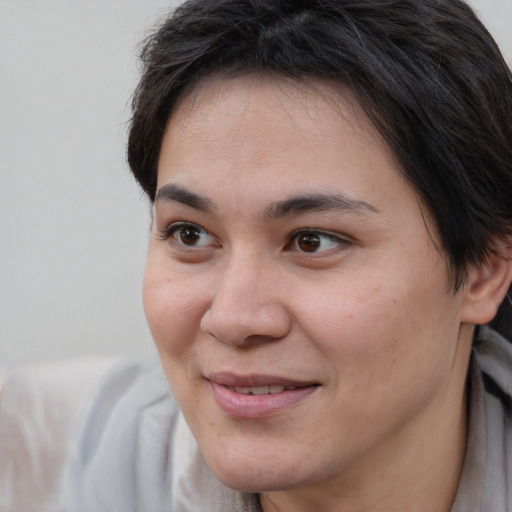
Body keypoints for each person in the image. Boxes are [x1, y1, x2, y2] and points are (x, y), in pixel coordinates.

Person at [60, 0, 512, 510]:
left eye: (312, 241)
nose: (233, 319)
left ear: (483, 269)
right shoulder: (79, 459)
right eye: (189, 235)